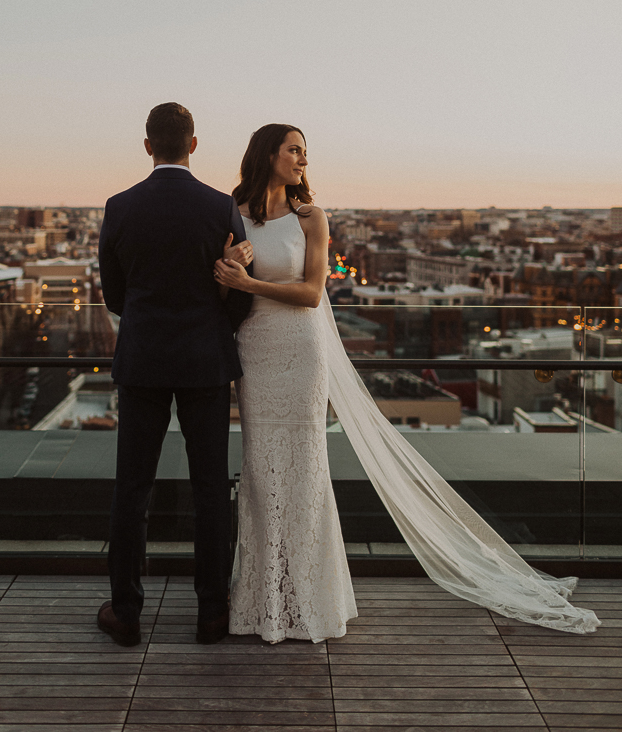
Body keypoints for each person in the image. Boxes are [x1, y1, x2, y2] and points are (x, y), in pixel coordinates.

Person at [214, 124, 600, 642]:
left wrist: (249, 280)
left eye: (306, 152)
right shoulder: (231, 216)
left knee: (306, 469)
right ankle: (264, 601)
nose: (304, 160)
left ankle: (307, 602)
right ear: (268, 154)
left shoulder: (312, 218)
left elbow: (310, 293)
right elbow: (217, 288)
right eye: (295, 150)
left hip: (301, 352)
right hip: (256, 353)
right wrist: (228, 269)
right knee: (260, 473)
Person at [98, 102, 253, 647]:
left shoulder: (120, 207)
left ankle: (126, 611)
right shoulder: (218, 207)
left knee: (132, 489)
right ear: (193, 143)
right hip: (204, 360)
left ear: (147, 146)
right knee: (211, 488)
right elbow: (238, 287)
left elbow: (114, 296)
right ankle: (211, 612)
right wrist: (215, 325)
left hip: (142, 358)